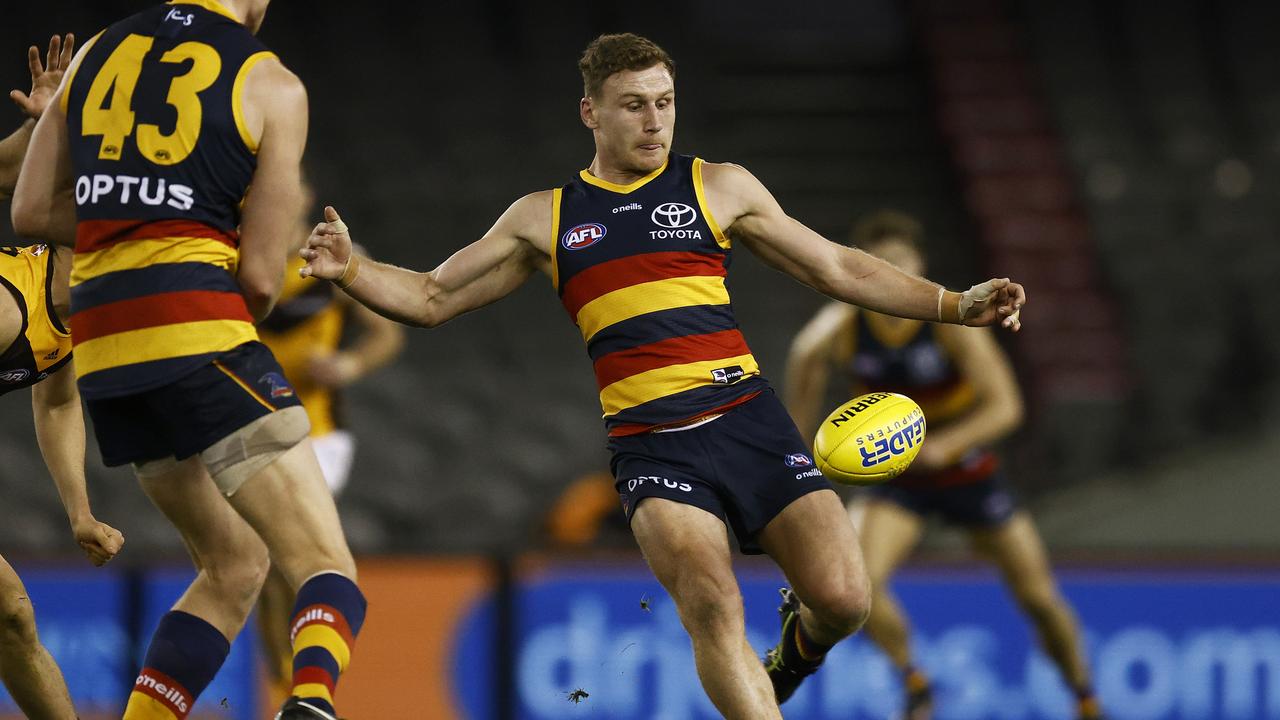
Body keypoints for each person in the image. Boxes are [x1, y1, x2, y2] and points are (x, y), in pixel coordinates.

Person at [299, 33, 1025, 717]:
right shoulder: (543, 219)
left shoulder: (720, 187)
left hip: (750, 420)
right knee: (710, 603)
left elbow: (836, 265)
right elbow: (429, 297)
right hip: (654, 444)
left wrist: (956, 304)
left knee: (843, 600)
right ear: (591, 112)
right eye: (634, 104)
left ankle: (796, 650)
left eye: (665, 102)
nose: (654, 122)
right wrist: (351, 270)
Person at [13, 2, 366, 718]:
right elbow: (264, 281)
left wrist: (132, 216)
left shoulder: (97, 53)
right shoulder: (271, 82)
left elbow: (28, 212)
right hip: (197, 330)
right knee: (327, 567)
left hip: (104, 348)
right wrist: (193, 233)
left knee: (234, 566)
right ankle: (311, 704)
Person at [785, 210, 1102, 720]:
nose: (892, 274)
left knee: (1039, 599)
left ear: (920, 267)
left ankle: (1085, 695)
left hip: (966, 470)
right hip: (898, 477)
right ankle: (915, 683)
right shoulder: (843, 326)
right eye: (879, 264)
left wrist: (943, 446)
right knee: (856, 586)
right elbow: (803, 360)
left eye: (902, 264)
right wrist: (795, 460)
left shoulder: (950, 325)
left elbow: (1006, 406)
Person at [0, 33, 124, 720]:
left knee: (11, 620)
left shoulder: (73, 323)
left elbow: (56, 405)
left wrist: (79, 512)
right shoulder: (9, 301)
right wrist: (43, 130)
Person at [256, 180, 404, 702]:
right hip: (251, 425)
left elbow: (388, 331)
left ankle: (299, 685)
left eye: (293, 188)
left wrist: (348, 364)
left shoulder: (331, 257)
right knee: (262, 564)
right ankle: (286, 684)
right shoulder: (240, 257)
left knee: (286, 554)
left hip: (318, 434)